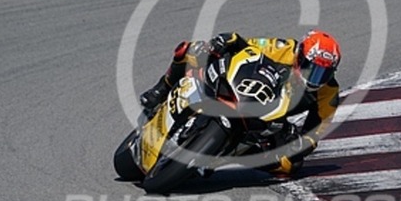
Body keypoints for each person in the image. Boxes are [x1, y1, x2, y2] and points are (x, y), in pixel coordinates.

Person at [139, 29, 341, 177]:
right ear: (300, 56)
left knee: (290, 166)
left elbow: (316, 132)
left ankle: (226, 155)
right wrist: (227, 40)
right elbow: (246, 46)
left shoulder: (329, 93)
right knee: (195, 50)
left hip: (272, 120)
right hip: (246, 89)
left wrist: (298, 143)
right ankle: (161, 88)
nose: (314, 78)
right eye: (310, 69)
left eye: (322, 73)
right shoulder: (284, 48)